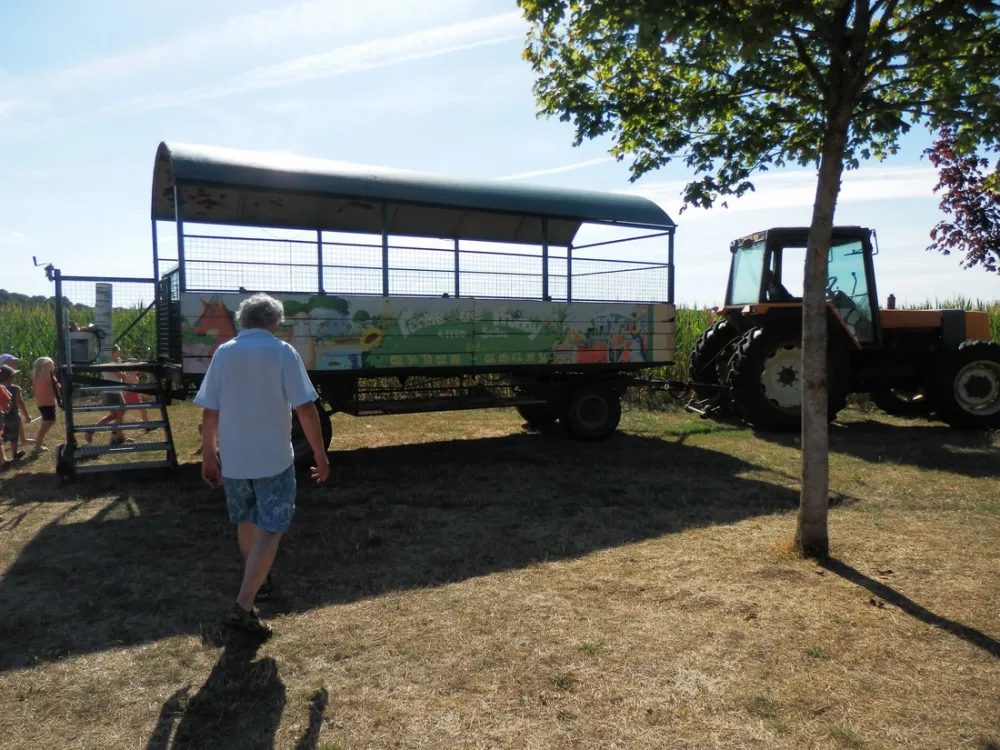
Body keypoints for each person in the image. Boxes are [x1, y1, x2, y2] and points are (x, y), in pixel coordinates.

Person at [195, 293, 330, 638]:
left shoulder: (224, 353)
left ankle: (259, 581)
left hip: (235, 460)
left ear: (243, 321)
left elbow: (210, 412)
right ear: (274, 323)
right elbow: (305, 408)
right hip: (274, 459)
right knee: (272, 527)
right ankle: (243, 605)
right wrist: (319, 453)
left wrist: (209, 456)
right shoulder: (283, 352)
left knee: (247, 520)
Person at [87, 345, 133, 446]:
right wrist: (123, 367)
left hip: (111, 391)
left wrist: (120, 364)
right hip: (113, 392)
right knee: (122, 412)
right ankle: (118, 436)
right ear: (112, 353)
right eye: (117, 352)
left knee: (114, 415)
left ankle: (91, 431)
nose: (119, 354)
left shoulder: (109, 362)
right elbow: (122, 376)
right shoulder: (110, 363)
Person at [30, 357, 61, 453]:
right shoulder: (50, 376)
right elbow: (58, 388)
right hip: (48, 403)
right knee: (46, 424)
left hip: (40, 403)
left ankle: (39, 440)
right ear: (45, 366)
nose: (53, 366)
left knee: (50, 422)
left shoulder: (36, 377)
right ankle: (37, 446)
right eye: (51, 365)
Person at [0, 365, 30, 462]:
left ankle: (2, 457)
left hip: (2, 417)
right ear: (11, 377)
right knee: (14, 437)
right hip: (13, 416)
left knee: (2, 436)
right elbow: (20, 402)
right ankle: (14, 454)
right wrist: (27, 416)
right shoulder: (16, 388)